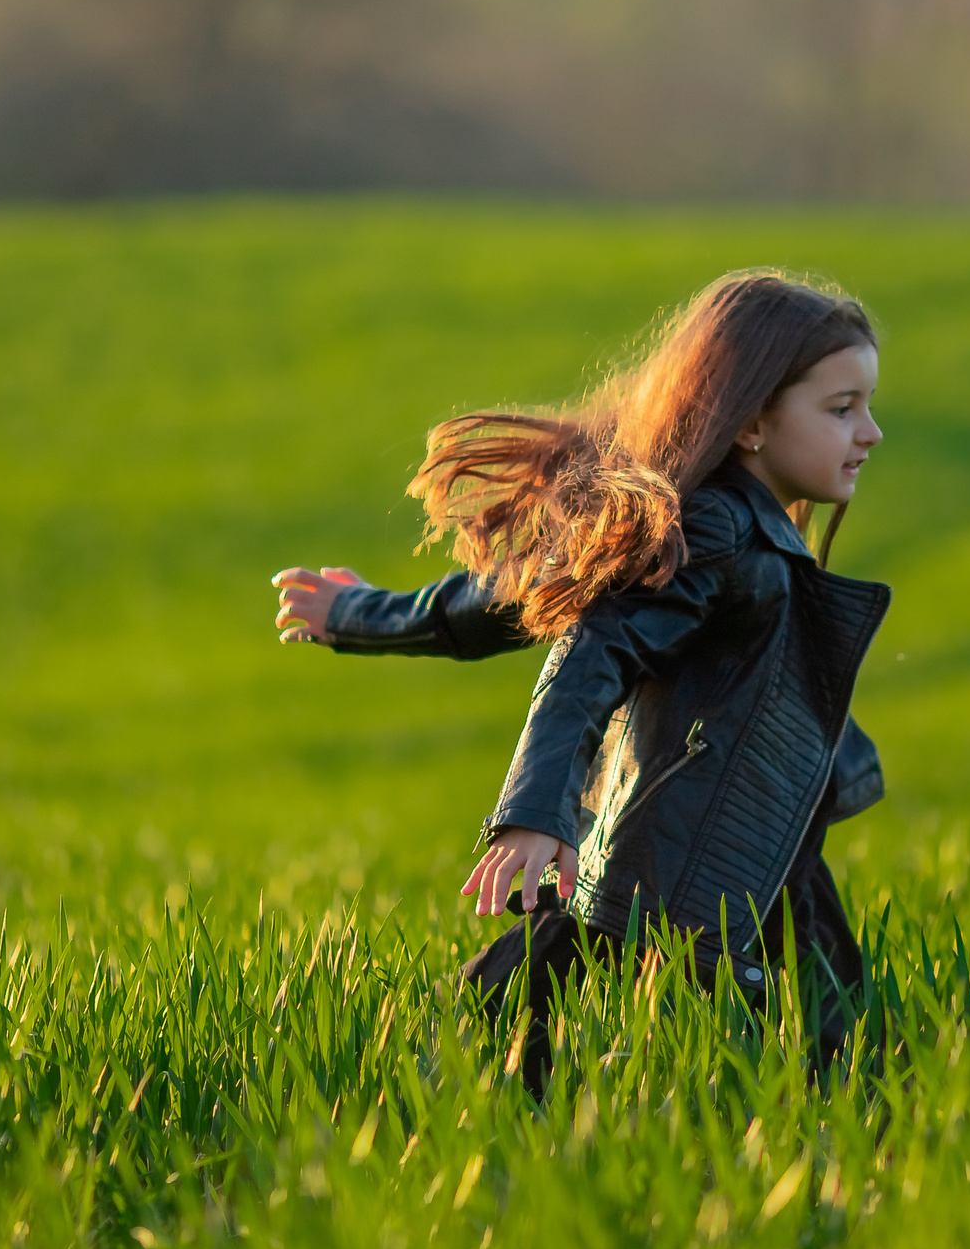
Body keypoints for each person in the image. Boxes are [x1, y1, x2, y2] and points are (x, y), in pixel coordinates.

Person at [269, 269, 890, 1093]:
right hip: (675, 882)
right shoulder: (713, 530)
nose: (871, 432)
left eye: (867, 406)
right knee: (597, 1062)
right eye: (841, 408)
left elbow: (527, 587)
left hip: (754, 865)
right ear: (749, 420)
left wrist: (361, 615)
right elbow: (587, 653)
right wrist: (533, 815)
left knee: (849, 1064)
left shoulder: (742, 530)